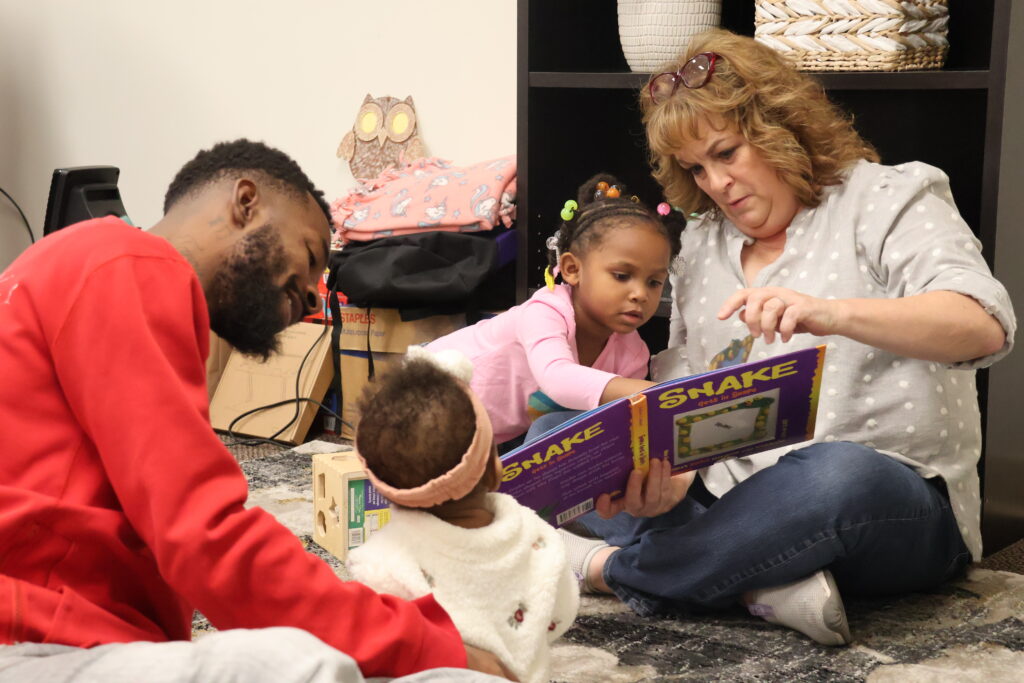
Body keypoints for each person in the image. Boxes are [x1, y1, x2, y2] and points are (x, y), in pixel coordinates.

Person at [557, 29, 1016, 647]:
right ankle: (759, 579)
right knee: (560, 436)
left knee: (835, 476)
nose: (716, 183)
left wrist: (832, 314)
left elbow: (981, 324)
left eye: (727, 153)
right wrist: (661, 465)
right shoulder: (701, 239)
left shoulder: (889, 197)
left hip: (887, 504)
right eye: (697, 168)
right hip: (728, 497)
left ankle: (608, 570)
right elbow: (691, 381)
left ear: (781, 128)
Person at [0, 139, 514, 682]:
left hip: (58, 627)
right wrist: (427, 647)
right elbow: (204, 537)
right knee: (315, 665)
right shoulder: (129, 263)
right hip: (32, 636)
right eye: (313, 255)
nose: (317, 298)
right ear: (246, 202)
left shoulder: (88, 264)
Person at [346, 347, 579, 683]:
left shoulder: (379, 563)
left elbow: (381, 650)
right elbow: (560, 612)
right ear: (494, 470)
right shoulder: (539, 538)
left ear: (383, 488)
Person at [427, 173, 684, 450]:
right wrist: (663, 395)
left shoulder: (633, 355)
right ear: (573, 269)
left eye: (654, 282)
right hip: (429, 396)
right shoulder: (545, 312)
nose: (640, 294)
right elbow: (558, 378)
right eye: (622, 276)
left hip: (489, 440)